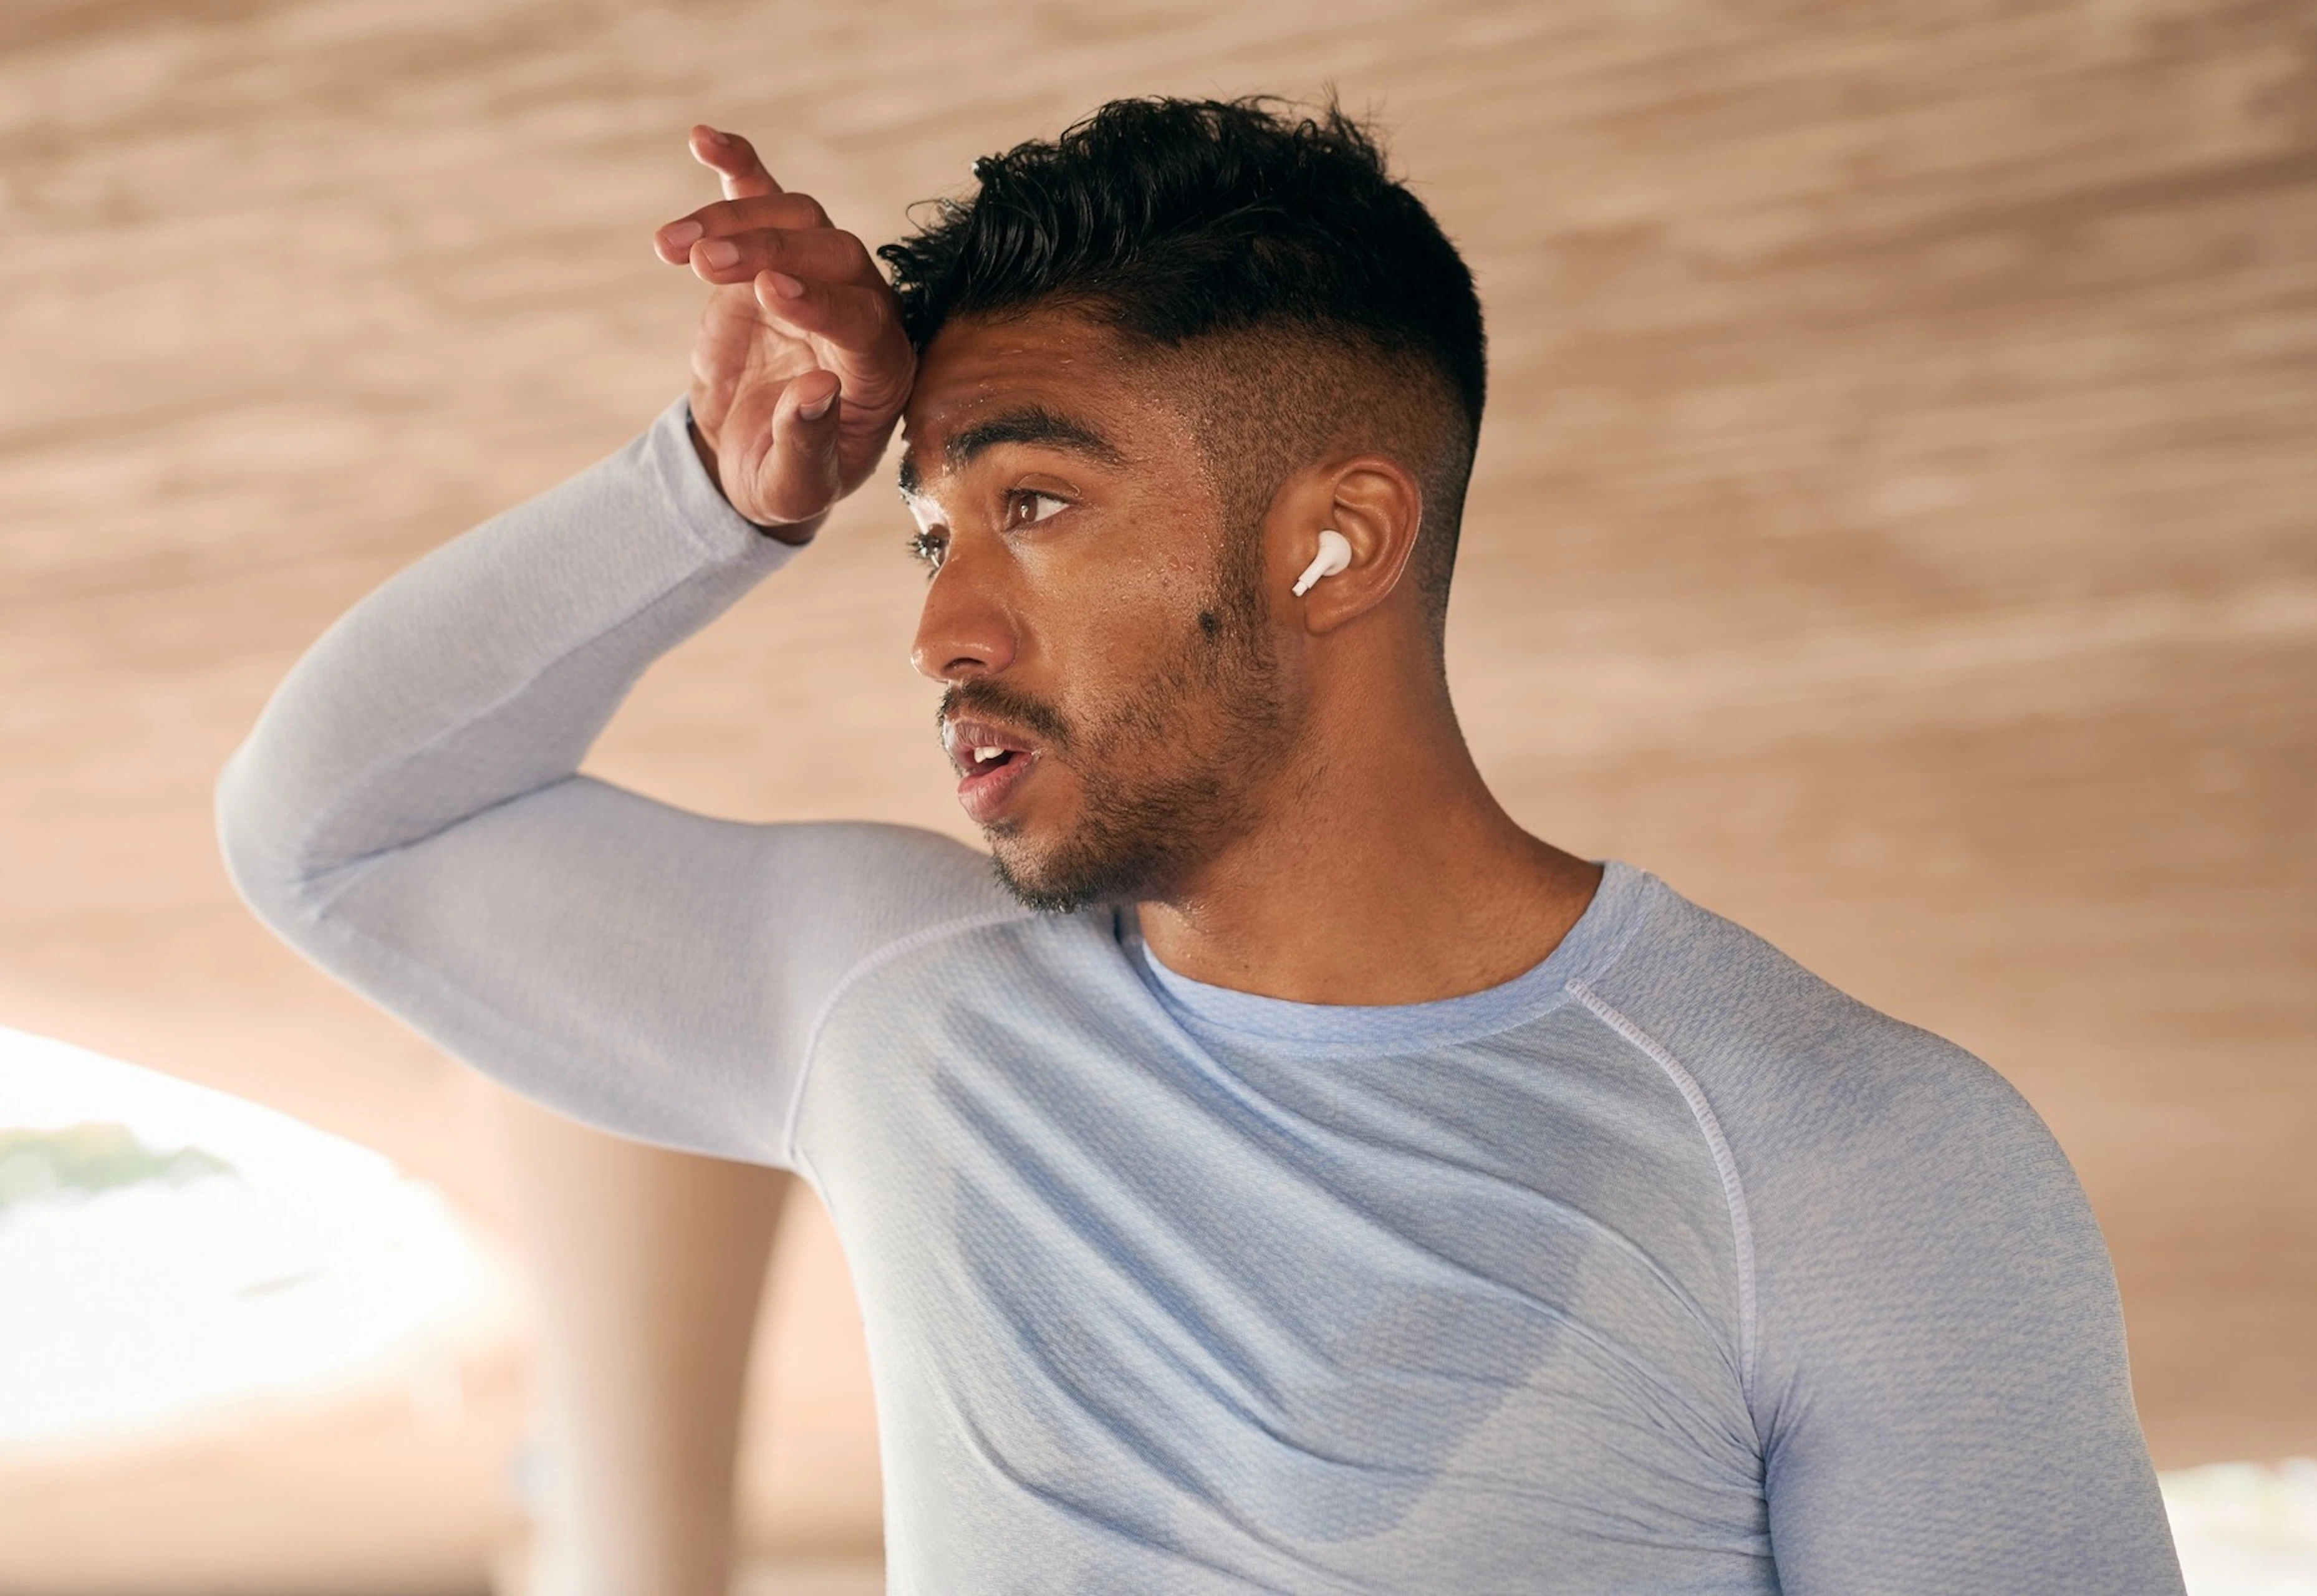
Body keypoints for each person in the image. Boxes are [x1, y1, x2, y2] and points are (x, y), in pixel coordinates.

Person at [219, 98, 2185, 1594]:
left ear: (1338, 541)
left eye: (1041, 510)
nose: (943, 629)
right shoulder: (905, 1013)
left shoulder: (1840, 1158)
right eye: (933, 533)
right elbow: (331, 830)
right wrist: (708, 499)